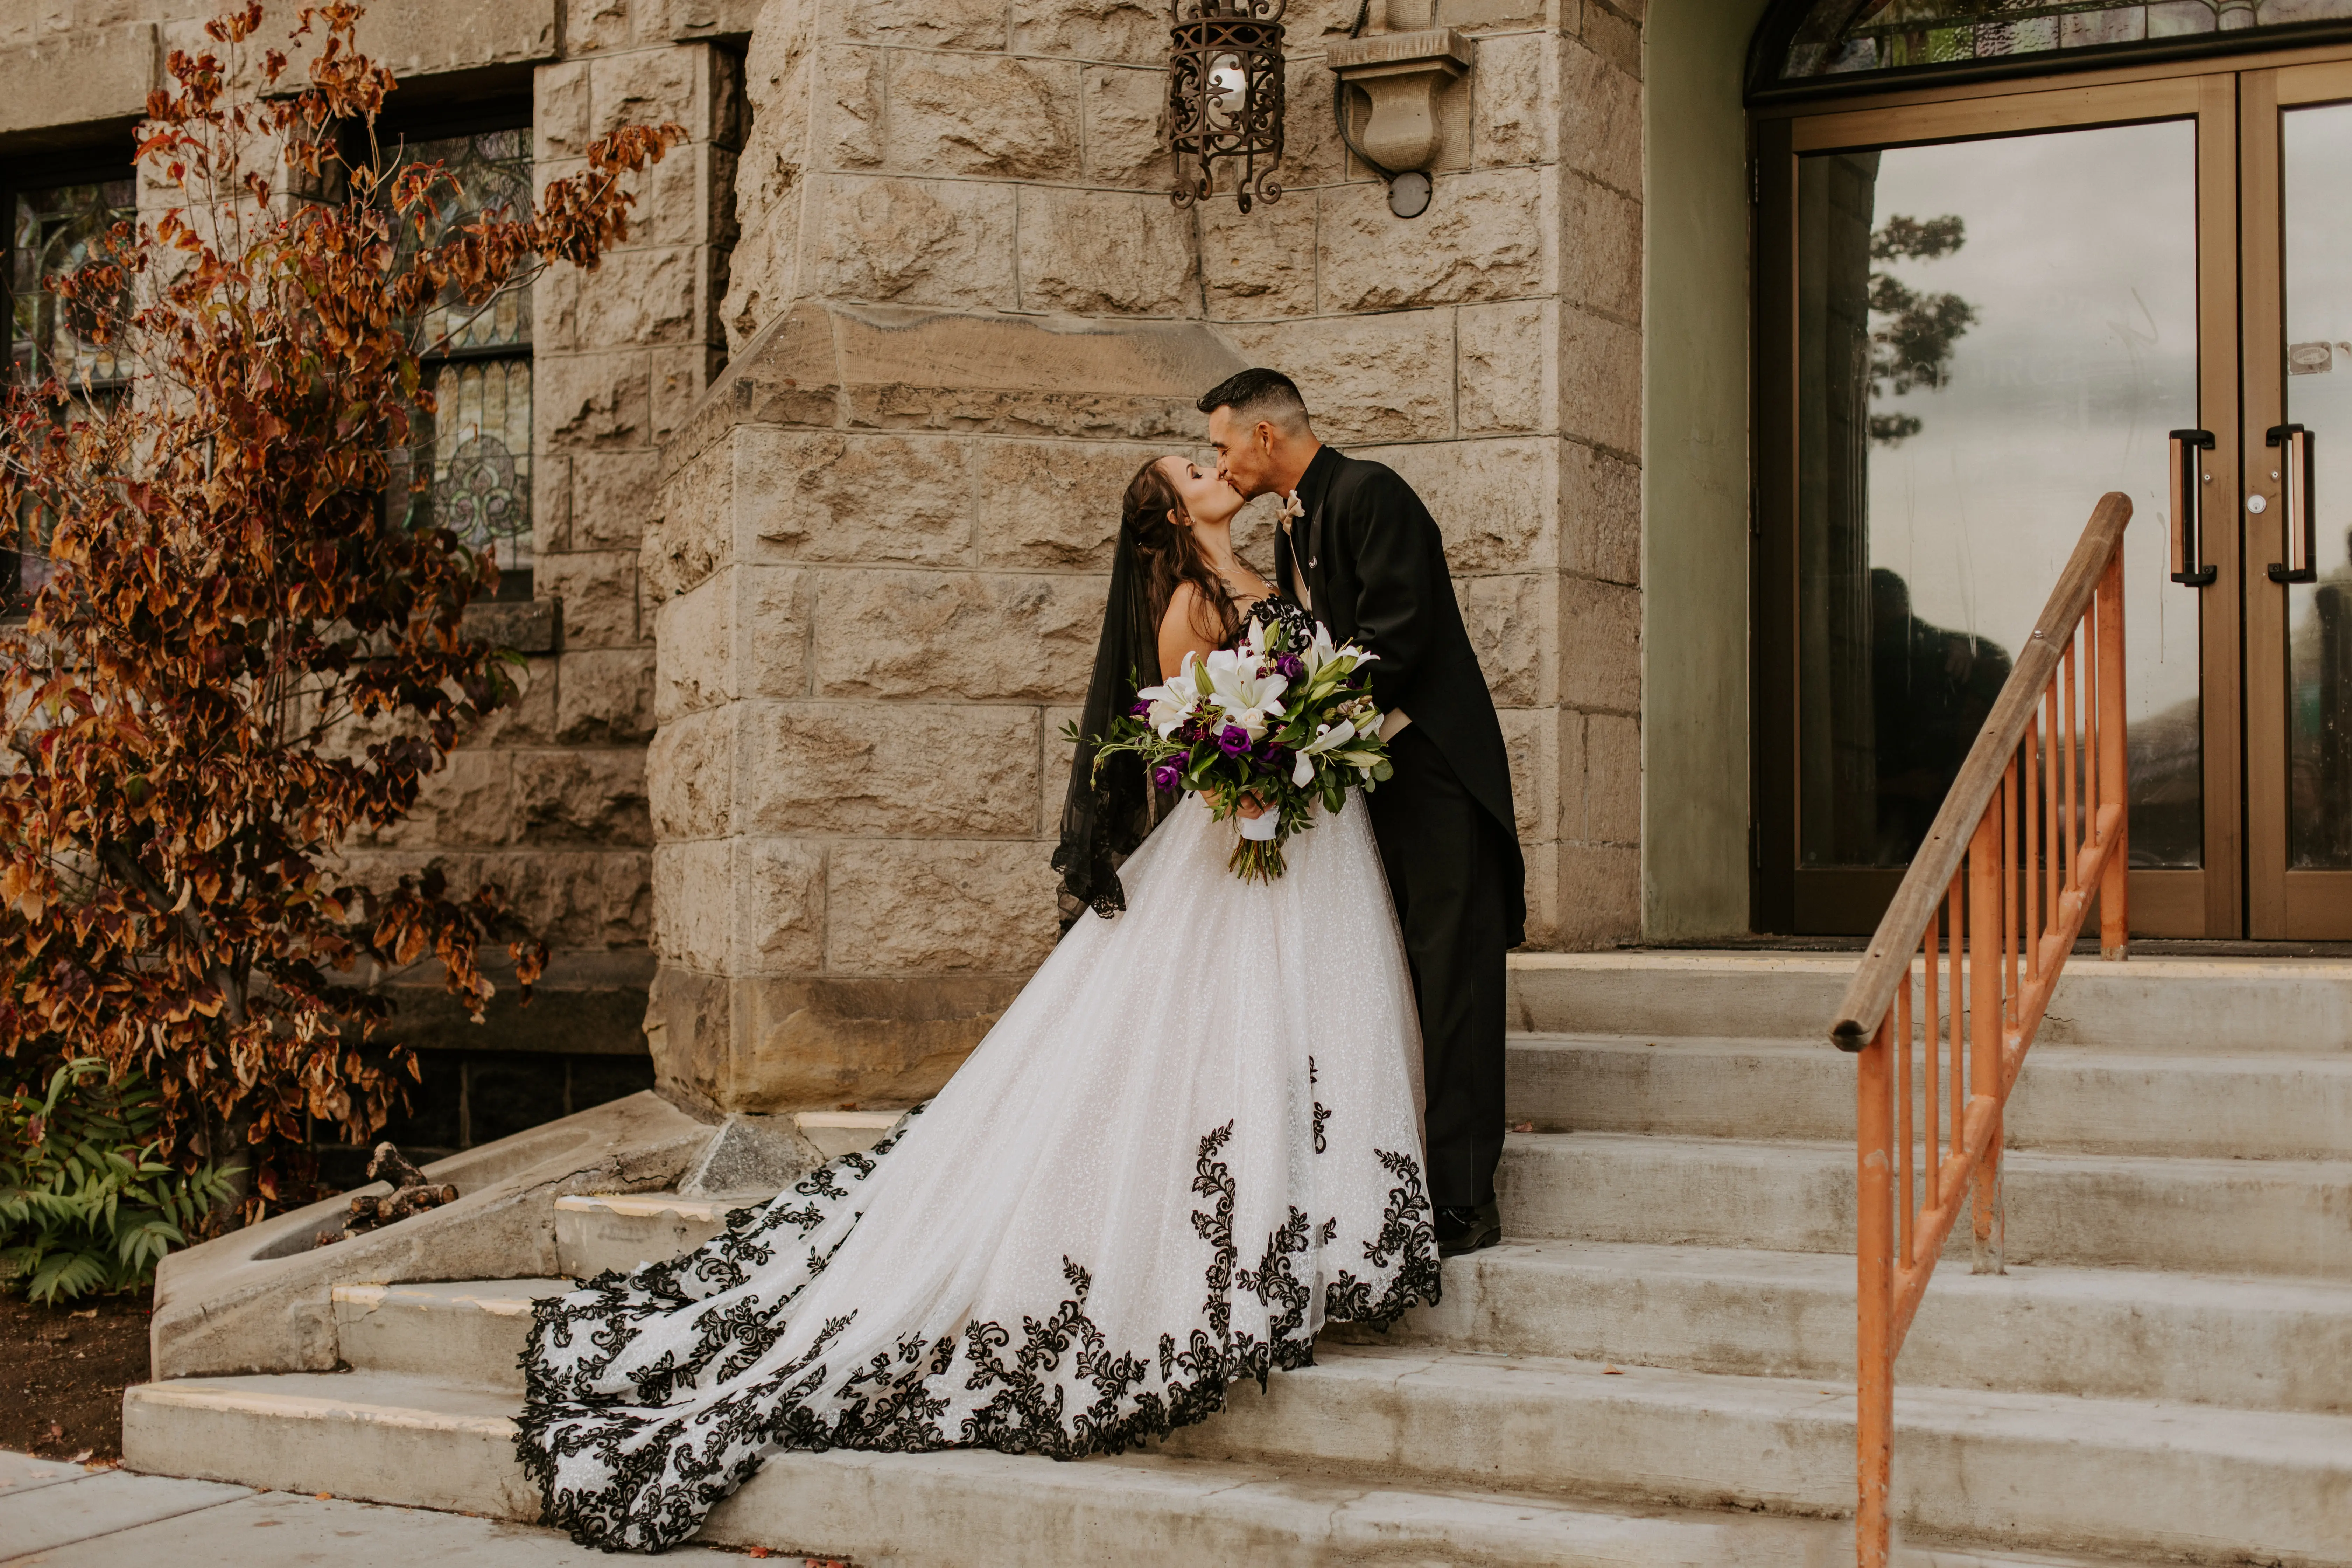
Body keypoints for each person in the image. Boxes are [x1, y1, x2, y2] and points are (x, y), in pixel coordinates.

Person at [513, 454, 1439, 1554]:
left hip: (1312, 852)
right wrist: (1265, 760)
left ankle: (1319, 1227)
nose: (1214, 468)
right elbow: (1191, 753)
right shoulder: (1190, 604)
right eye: (1195, 467)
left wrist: (1313, 738)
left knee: (1299, 1038)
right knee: (1210, 1041)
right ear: (1170, 513)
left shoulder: (1275, 565)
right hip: (1239, 843)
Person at [1201, 368, 1525, 1259]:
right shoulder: (1291, 528)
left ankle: (1466, 1198)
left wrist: (1292, 720)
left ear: (1266, 436)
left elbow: (1397, 635)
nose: (1220, 463)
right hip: (1377, 776)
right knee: (1408, 979)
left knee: (1455, 979)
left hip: (1436, 773)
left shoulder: (1372, 493)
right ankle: (1410, 1170)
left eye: (1224, 444)